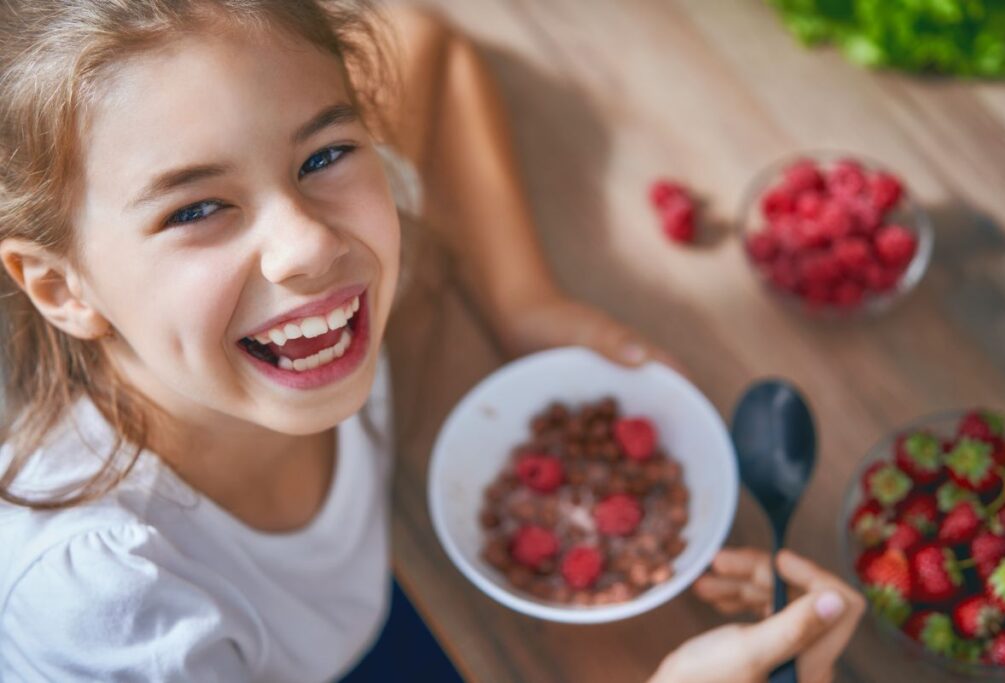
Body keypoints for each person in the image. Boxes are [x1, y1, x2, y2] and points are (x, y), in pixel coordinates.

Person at [0, 2, 862, 680]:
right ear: (59, 285)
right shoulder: (109, 610)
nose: (309, 245)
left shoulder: (312, 291)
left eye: (324, 153)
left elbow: (429, 47)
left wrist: (525, 298)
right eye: (194, 208)